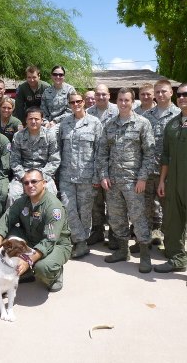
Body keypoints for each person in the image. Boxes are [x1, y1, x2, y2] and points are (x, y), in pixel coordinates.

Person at [155, 83, 187, 289]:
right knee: (173, 222)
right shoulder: (173, 123)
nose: (182, 97)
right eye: (179, 94)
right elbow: (165, 156)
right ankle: (177, 260)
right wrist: (162, 181)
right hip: (173, 182)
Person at [97, 87, 155, 273]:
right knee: (116, 218)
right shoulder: (110, 125)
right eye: (120, 100)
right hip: (113, 182)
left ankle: (145, 256)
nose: (123, 103)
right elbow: (102, 153)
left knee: (138, 219)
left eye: (127, 100)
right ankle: (123, 251)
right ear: (117, 101)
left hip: (134, 181)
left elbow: (149, 153)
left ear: (132, 101)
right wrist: (103, 176)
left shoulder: (142, 123)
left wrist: (142, 178)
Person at [0, 169, 71, 292]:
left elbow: (49, 241)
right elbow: (5, 221)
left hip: (56, 244)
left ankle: (55, 273)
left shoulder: (53, 207)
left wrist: (27, 261)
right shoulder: (23, 201)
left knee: (43, 268)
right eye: (26, 183)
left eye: (34, 181)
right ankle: (27, 272)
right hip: (31, 239)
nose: (30, 185)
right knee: (9, 237)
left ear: (44, 183)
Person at [130, 80, 180, 253]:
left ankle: (170, 244)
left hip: (171, 170)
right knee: (144, 206)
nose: (160, 95)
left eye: (163, 92)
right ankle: (143, 240)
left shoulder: (179, 114)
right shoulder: (146, 115)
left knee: (170, 208)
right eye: (157, 92)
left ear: (171, 92)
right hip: (148, 169)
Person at [59, 92, 103, 258]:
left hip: (87, 176)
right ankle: (80, 240)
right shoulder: (64, 123)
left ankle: (81, 243)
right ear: (69, 104)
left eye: (78, 101)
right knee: (69, 209)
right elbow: (59, 148)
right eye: (72, 102)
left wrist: (97, 176)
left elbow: (100, 151)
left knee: (84, 212)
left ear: (84, 102)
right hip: (66, 176)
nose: (76, 104)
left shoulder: (95, 123)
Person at [86, 84, 119, 248]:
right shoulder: (88, 112)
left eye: (103, 94)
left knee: (112, 201)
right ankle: (97, 231)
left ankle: (113, 234)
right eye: (97, 94)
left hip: (112, 163)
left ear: (109, 95)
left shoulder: (117, 111)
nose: (100, 97)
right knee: (96, 201)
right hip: (93, 163)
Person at [8, 106, 60, 206]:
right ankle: (13, 221)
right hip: (23, 174)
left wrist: (40, 177)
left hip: (44, 174)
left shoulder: (50, 135)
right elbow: (14, 161)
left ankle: (49, 221)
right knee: (13, 195)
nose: (33, 121)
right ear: (26, 121)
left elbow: (54, 160)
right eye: (30, 119)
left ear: (42, 120)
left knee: (51, 195)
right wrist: (24, 176)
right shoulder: (18, 136)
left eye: (36, 119)